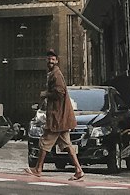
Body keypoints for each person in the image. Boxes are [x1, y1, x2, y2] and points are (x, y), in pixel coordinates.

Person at [26, 49, 84, 181]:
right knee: (67, 145)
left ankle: (38, 169)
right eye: (49, 59)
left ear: (57, 61)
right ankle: (79, 170)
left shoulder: (56, 75)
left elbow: (60, 92)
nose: (50, 61)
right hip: (61, 117)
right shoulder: (53, 73)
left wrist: (45, 94)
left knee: (45, 142)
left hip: (57, 116)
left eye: (53, 59)